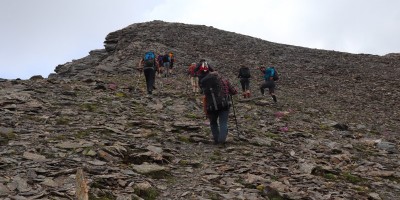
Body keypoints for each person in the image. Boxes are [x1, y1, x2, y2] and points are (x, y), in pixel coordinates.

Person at [201, 71, 238, 144]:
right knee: (223, 122)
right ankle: (221, 140)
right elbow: (234, 92)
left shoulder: (206, 83)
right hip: (224, 105)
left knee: (213, 123)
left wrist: (205, 109)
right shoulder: (224, 81)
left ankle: (216, 139)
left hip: (211, 106)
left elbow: (204, 96)